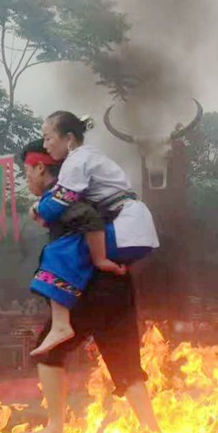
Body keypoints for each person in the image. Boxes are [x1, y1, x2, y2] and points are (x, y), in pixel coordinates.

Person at [20, 139, 160, 433]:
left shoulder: (64, 200)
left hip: (91, 286)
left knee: (47, 351)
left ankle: (55, 428)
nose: (26, 179)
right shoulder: (86, 191)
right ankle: (151, 432)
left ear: (40, 167)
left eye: (26, 172)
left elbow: (85, 229)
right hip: (117, 285)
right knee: (125, 362)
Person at [29, 111, 159, 356]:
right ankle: (110, 267)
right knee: (78, 251)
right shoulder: (90, 157)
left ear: (68, 138)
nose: (45, 146)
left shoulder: (76, 161)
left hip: (125, 229)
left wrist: (39, 208)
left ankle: (60, 325)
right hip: (133, 230)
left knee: (58, 251)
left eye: (48, 138)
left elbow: (60, 202)